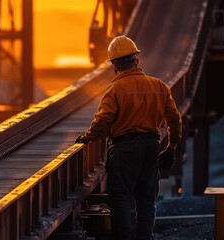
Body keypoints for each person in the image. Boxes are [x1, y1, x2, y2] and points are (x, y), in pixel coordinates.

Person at [75, 35, 182, 239]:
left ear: (114, 65)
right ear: (137, 61)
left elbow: (103, 120)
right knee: (146, 199)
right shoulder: (159, 87)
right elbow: (174, 120)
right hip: (151, 146)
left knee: (121, 198)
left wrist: (88, 137)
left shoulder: (115, 90)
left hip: (123, 150)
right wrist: (171, 146)